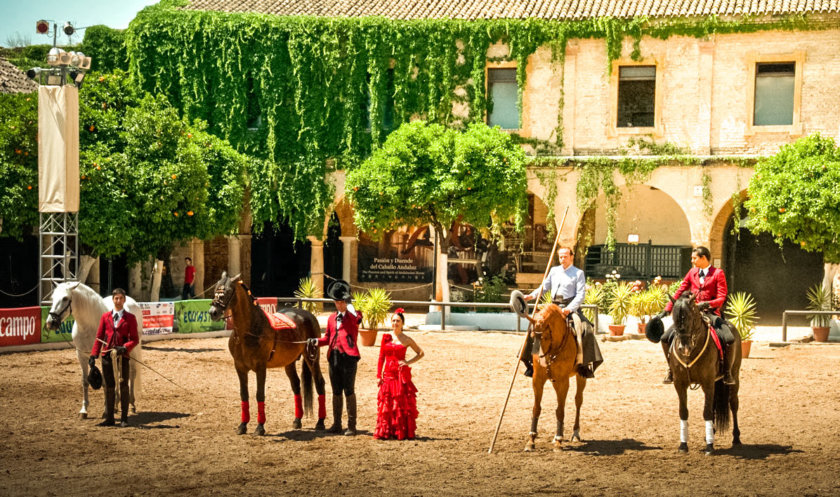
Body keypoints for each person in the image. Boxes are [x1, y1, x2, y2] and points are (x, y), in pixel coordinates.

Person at [520, 247, 602, 379]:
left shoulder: (578, 273)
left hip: (569, 307)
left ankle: (583, 363)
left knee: (585, 329)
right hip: (553, 307)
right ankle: (530, 360)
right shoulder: (554, 271)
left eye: (565, 256)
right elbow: (544, 287)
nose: (562, 259)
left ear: (571, 257)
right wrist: (531, 296)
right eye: (560, 257)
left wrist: (569, 308)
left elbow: (580, 295)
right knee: (536, 325)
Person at [659, 246, 735, 385]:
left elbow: (722, 297)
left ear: (703, 258)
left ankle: (727, 372)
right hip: (691, 314)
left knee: (729, 338)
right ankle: (671, 369)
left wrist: (707, 304)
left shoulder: (718, 273)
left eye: (694, 258)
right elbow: (680, 290)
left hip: (710, 313)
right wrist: (668, 308)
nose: (692, 260)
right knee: (665, 338)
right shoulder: (692, 272)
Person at [309, 280, 362, 435]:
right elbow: (327, 338)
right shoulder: (332, 318)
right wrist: (315, 342)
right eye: (337, 302)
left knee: (349, 390)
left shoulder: (354, 315)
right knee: (336, 390)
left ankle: (351, 426)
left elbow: (357, 319)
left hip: (349, 357)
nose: (339, 305)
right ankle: (337, 424)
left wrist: (349, 303)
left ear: (346, 301)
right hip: (334, 357)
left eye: (342, 302)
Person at [89, 288, 139, 427]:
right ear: (113, 300)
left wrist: (125, 347)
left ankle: (124, 418)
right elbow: (99, 337)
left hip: (123, 356)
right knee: (109, 386)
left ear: (124, 300)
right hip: (107, 356)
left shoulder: (130, 318)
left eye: (121, 298)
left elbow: (135, 339)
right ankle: (110, 418)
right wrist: (94, 354)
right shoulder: (105, 317)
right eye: (116, 298)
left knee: (123, 386)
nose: (118, 301)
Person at [374, 308, 423, 440]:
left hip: (400, 375)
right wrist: (379, 376)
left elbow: (420, 353)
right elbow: (381, 357)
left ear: (402, 323)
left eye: (398, 321)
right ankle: (387, 430)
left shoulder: (406, 339)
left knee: (400, 403)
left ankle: (400, 431)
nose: (395, 323)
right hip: (388, 375)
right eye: (393, 320)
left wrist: (407, 362)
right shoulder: (386, 337)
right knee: (387, 403)